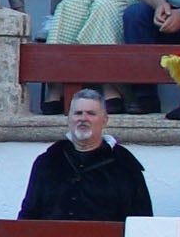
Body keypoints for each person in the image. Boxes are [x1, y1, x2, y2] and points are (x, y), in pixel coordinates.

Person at [17, 85, 153, 219]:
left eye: (91, 113)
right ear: (69, 119)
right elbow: (29, 214)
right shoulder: (48, 161)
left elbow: (140, 221)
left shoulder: (125, 165)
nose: (83, 118)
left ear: (104, 121)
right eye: (78, 113)